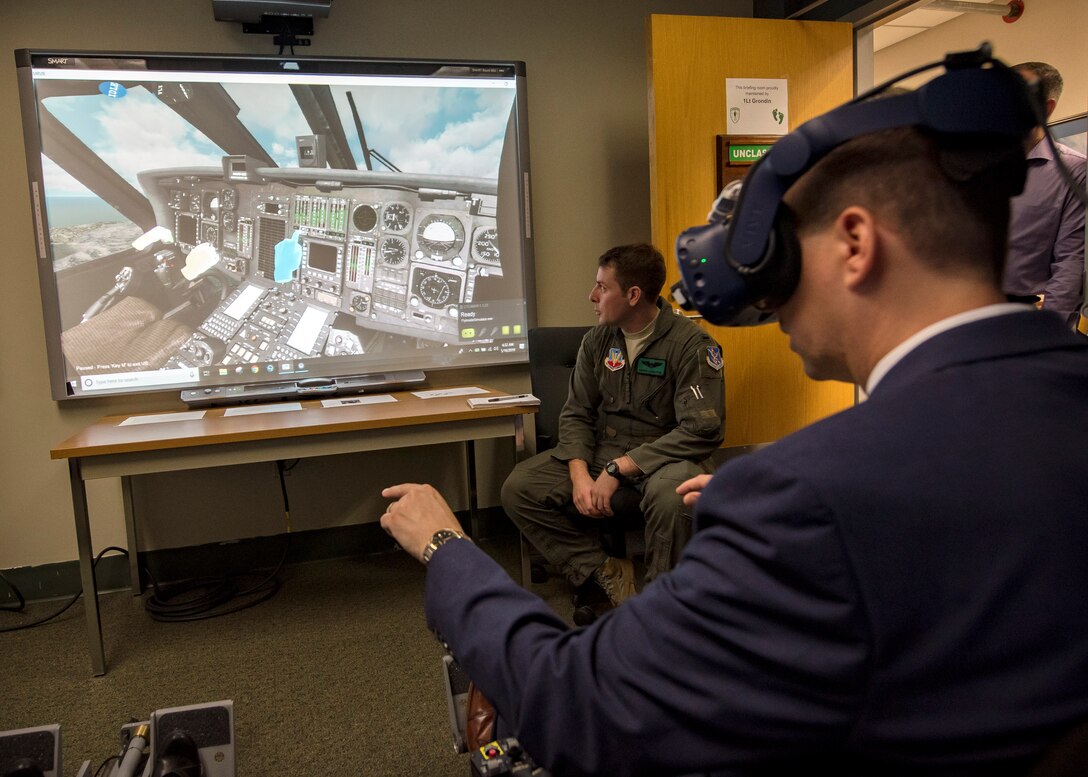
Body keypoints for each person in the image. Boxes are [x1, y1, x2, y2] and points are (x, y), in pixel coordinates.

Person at [379, 85, 1088, 773]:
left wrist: (448, 547)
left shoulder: (798, 495)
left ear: (853, 244)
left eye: (780, 253)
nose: (767, 296)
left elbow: (586, 704)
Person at [501, 243, 725, 605]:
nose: (592, 296)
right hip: (604, 448)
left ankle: (662, 604)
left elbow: (701, 431)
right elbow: (576, 413)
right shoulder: (598, 340)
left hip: (664, 457)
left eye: (603, 288)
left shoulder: (691, 345)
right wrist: (578, 474)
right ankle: (604, 570)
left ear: (633, 295)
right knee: (520, 487)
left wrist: (618, 469)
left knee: (674, 498)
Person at [1004, 61, 1087, 330]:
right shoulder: (981, 164)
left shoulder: (1073, 170)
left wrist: (1049, 332)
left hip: (1025, 318)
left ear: (1046, 108)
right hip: (965, 313)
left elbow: (1071, 261)